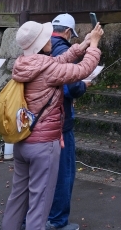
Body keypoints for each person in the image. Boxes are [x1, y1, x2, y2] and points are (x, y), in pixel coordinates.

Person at [2, 20, 103, 230]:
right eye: (46, 37)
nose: (50, 38)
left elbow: (59, 61)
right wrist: (94, 45)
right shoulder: (48, 70)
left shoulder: (23, 63)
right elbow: (83, 69)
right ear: (40, 43)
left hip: (23, 142)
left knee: (18, 198)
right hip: (44, 145)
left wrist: (82, 44)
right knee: (39, 204)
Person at [47, 13, 93, 230]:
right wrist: (84, 84)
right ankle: (57, 221)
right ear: (67, 32)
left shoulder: (40, 47)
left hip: (38, 123)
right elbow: (72, 87)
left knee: (40, 176)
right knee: (64, 174)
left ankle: (34, 219)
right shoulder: (64, 50)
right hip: (60, 122)